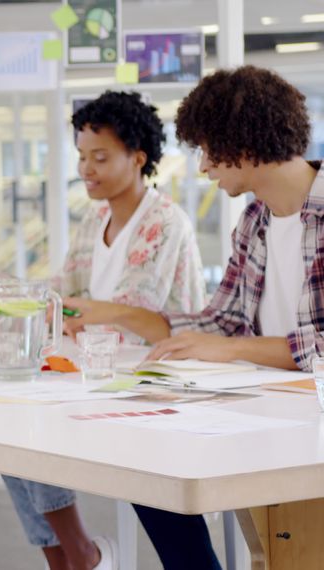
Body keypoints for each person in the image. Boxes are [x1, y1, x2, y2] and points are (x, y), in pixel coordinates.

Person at [65, 66, 324, 569]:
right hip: (268, 412)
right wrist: (161, 334)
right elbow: (220, 321)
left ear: (243, 145)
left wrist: (231, 349)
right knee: (144, 456)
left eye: (207, 150)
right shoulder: (255, 221)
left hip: (309, 428)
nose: (203, 167)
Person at [0, 91, 204, 570]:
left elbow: (131, 313)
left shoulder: (164, 222)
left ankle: (80, 555)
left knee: (29, 420)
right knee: (9, 423)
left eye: (100, 157)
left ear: (138, 159)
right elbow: (66, 288)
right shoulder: (96, 220)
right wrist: (6, 293)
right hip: (105, 373)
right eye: (81, 157)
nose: (86, 169)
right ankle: (68, 557)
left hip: (155, 378)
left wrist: (71, 312)